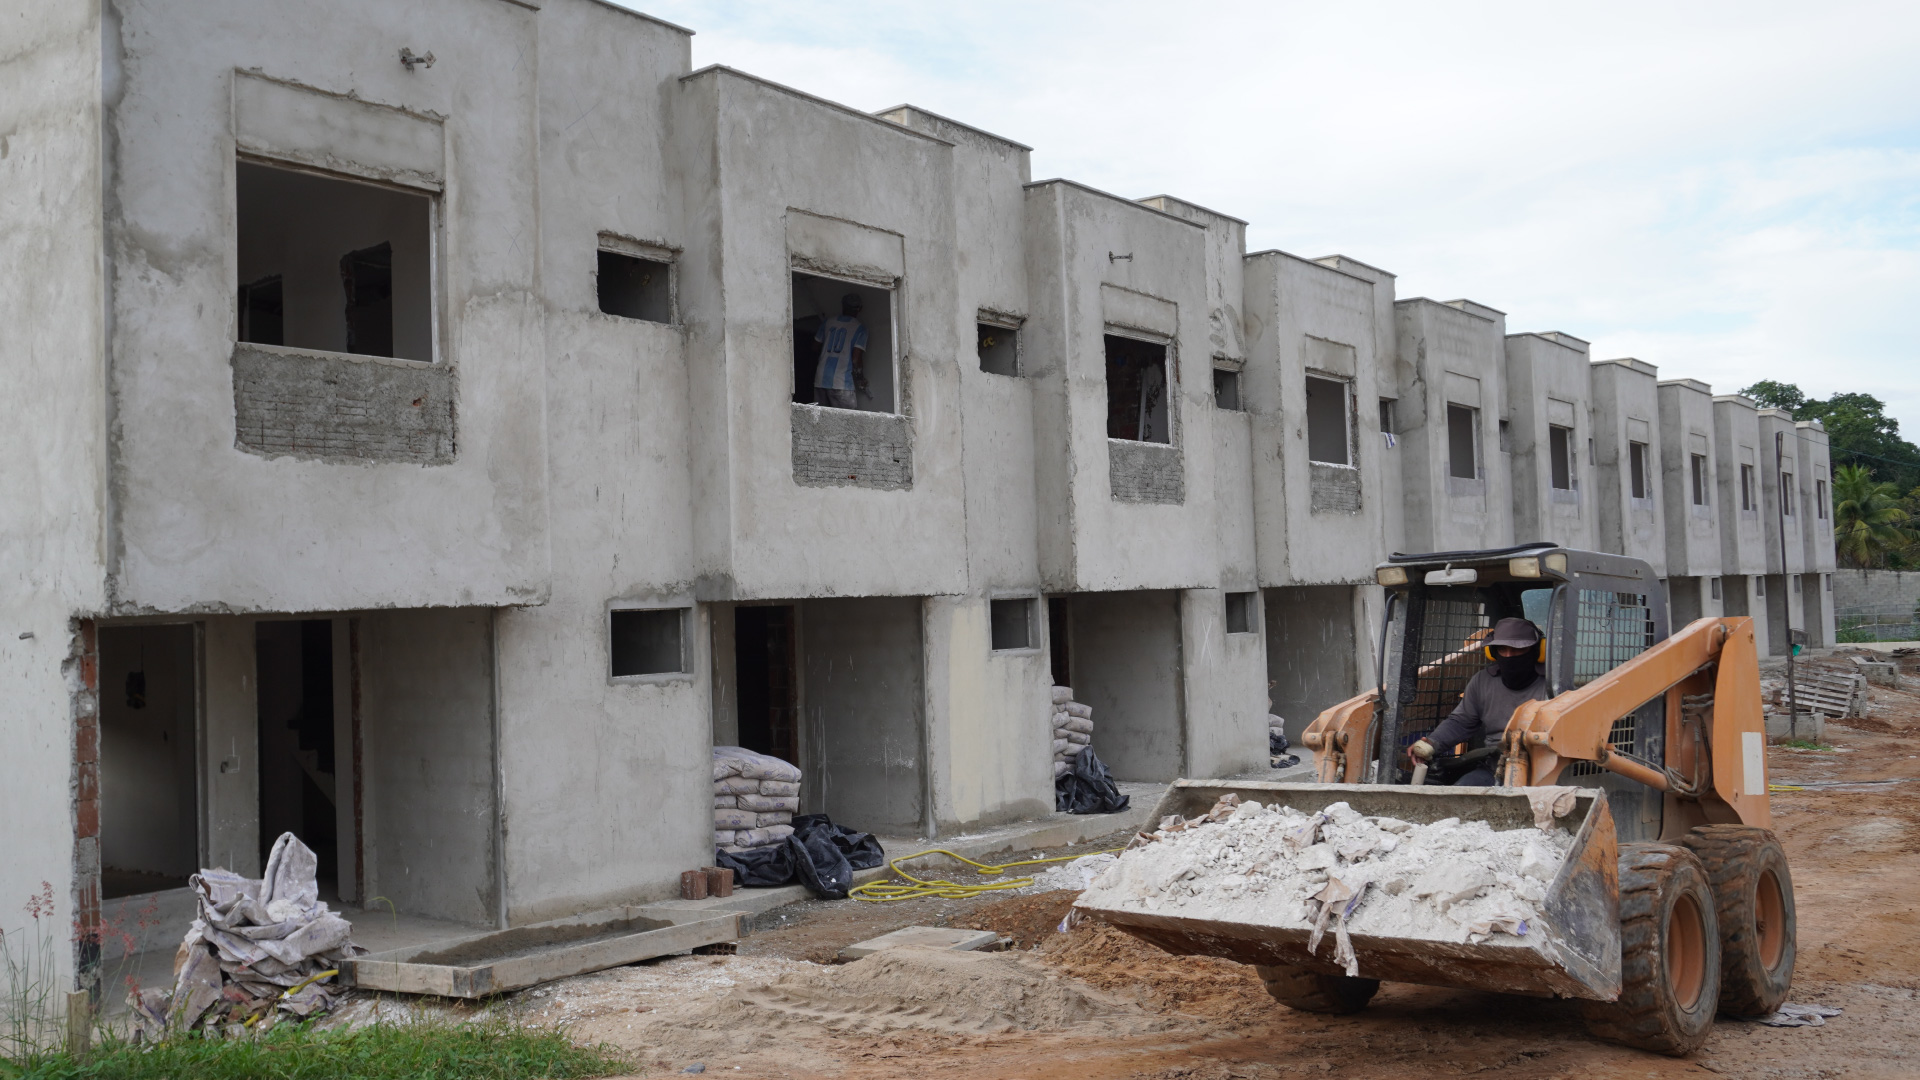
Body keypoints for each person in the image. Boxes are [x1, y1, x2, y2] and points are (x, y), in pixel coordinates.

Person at [1407, 617, 1547, 786]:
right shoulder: (1482, 681)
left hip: (1544, 768)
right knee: (1460, 796)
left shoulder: (1553, 686)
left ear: (1537, 650)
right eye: (1503, 649)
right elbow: (1461, 722)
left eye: (1517, 650)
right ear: (1493, 652)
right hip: (1495, 767)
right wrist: (1431, 743)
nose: (1509, 656)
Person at [812, 293, 868, 409]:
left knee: (820, 421)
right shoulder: (860, 328)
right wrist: (861, 380)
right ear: (860, 309)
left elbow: (814, 347)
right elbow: (856, 359)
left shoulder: (827, 322)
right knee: (848, 422)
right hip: (841, 383)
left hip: (820, 379)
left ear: (842, 306)